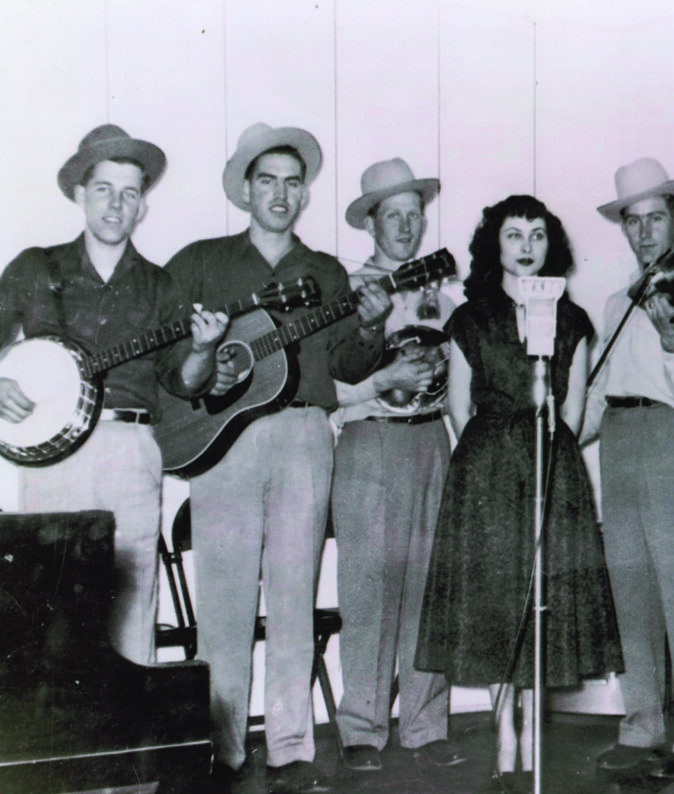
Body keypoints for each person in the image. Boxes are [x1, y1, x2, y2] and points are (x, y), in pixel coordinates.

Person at [162, 123, 390, 793]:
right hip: (221, 441)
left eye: (294, 182)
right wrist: (208, 368)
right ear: (245, 189)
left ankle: (292, 744)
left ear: (305, 193)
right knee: (224, 600)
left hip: (303, 434)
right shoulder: (200, 262)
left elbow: (350, 361)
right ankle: (221, 748)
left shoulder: (325, 272)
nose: (281, 194)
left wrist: (373, 325)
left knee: (294, 592)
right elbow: (173, 365)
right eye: (268, 181)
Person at [415, 194, 623, 787]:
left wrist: (543, 445)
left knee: (541, 602)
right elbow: (459, 408)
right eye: (514, 235)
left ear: (549, 245)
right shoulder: (469, 319)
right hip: (486, 476)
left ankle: (533, 730)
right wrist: (497, 457)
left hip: (551, 467)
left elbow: (576, 414)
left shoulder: (574, 321)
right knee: (495, 605)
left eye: (536, 235)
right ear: (495, 245)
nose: (526, 246)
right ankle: (505, 731)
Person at [0, 124, 225, 666]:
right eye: (104, 189)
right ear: (80, 193)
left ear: (141, 207)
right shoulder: (36, 267)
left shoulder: (162, 285)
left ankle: (130, 752)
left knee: (129, 614)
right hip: (49, 457)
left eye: (129, 193)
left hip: (129, 449)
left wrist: (205, 348)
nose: (115, 204)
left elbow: (184, 381)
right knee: (45, 612)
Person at [584, 157, 674, 781]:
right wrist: (560, 439)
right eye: (633, 221)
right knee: (631, 589)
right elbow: (597, 394)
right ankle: (641, 721)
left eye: (655, 218)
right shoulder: (617, 300)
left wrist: (673, 343)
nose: (644, 232)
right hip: (619, 439)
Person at [331, 158, 463, 772]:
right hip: (370, 443)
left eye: (415, 214)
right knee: (368, 589)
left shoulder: (444, 289)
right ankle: (361, 728)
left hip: (432, 441)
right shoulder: (346, 290)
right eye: (394, 216)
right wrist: (383, 378)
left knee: (428, 588)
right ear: (372, 224)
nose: (406, 227)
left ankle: (425, 724)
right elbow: (325, 389)